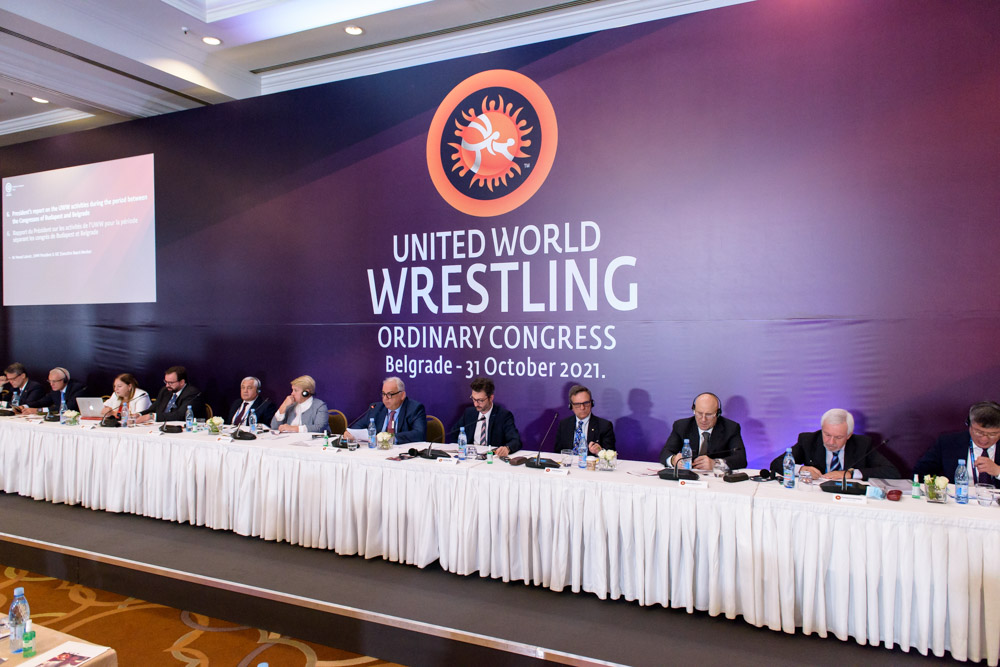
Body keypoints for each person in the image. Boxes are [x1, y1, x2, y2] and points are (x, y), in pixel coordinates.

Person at [769, 408, 899, 480]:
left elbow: (891, 472)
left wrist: (849, 474)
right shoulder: (809, 440)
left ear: (848, 435)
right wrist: (802, 469)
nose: (831, 442)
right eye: (827, 435)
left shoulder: (862, 444)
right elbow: (776, 464)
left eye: (838, 437)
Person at [913, 401, 1000, 487]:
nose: (984, 439)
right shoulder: (948, 443)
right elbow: (920, 473)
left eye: (993, 434)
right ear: (969, 425)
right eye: (979, 432)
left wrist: (998, 472)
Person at [659, 392, 747, 470]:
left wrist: (716, 464)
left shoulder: (731, 428)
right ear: (694, 410)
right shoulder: (682, 426)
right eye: (699, 413)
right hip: (688, 477)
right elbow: (665, 453)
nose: (703, 419)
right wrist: (673, 460)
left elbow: (741, 459)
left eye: (709, 414)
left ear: (717, 413)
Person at [346, 376, 426, 444]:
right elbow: (357, 427)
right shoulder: (376, 408)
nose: (385, 398)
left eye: (389, 394)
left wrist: (390, 438)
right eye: (383, 394)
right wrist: (351, 434)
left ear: (402, 395)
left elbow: (419, 434)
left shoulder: (414, 409)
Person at [453, 377, 521, 457]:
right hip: (470, 457)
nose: (476, 404)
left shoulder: (503, 415)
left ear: (491, 398)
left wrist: (507, 448)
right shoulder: (469, 413)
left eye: (480, 400)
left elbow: (515, 440)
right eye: (474, 399)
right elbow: (454, 433)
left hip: (492, 458)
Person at [555, 384, 615, 454]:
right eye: (577, 404)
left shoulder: (604, 426)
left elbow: (611, 455)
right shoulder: (564, 425)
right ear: (571, 406)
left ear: (592, 403)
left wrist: (600, 451)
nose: (582, 408)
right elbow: (557, 453)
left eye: (586, 403)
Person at [137, 366, 204, 423]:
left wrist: (152, 416)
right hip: (160, 426)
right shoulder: (165, 391)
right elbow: (153, 409)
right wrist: (139, 414)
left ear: (182, 382)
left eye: (170, 383)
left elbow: (180, 415)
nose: (167, 385)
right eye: (166, 382)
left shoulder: (192, 393)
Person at [19, 367, 88, 413]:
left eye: (54, 381)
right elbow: (42, 402)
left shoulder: (78, 389)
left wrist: (39, 410)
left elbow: (68, 408)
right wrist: (24, 406)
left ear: (65, 380)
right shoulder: (55, 390)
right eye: (50, 381)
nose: (51, 384)